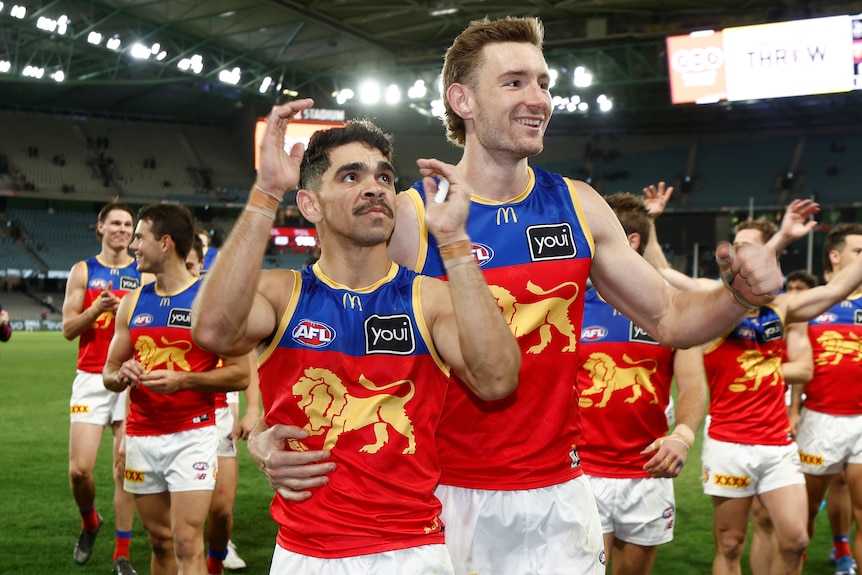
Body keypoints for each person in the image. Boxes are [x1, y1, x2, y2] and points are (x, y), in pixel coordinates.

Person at [242, 19, 783, 575]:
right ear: (463, 100)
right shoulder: (410, 216)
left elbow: (670, 317)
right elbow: (317, 334)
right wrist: (261, 435)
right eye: (515, 82)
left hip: (557, 491)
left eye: (544, 84)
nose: (539, 99)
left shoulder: (579, 205)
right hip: (438, 499)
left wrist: (736, 295)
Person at [191, 117, 521, 574]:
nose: (375, 187)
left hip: (412, 552)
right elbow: (212, 331)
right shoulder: (282, 294)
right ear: (310, 204)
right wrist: (267, 193)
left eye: (384, 176)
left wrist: (455, 241)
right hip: (306, 554)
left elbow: (499, 380)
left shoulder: (429, 298)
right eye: (351, 176)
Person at [645, 196, 862, 574]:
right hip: (729, 442)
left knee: (795, 540)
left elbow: (836, 289)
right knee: (730, 544)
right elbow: (668, 272)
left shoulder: (781, 307)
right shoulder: (710, 305)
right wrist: (649, 225)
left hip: (777, 443)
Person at [102, 204, 250, 575]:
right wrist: (123, 374)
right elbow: (108, 371)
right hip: (141, 436)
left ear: (165, 243)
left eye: (140, 237)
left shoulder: (210, 302)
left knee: (186, 541)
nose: (133, 245)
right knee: (159, 542)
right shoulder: (132, 302)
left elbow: (240, 375)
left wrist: (184, 380)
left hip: (193, 435)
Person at [578, 192, 707, 575]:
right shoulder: (568, 306)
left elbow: (693, 385)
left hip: (649, 472)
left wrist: (682, 435)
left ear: (629, 242)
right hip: (581, 474)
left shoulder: (670, 311)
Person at [61, 202, 141, 575]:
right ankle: (90, 521)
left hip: (128, 377)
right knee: (79, 470)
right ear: (101, 227)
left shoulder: (142, 271)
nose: (122, 229)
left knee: (124, 465)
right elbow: (68, 329)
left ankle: (120, 554)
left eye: (128, 224)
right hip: (91, 377)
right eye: (116, 223)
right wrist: (97, 310)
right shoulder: (83, 270)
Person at [795, 222, 862, 575]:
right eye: (858, 252)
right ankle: (796, 562)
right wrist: (792, 410)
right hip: (819, 418)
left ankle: (843, 551)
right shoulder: (811, 305)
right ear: (835, 256)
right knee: (805, 510)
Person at [183, 237, 248, 574]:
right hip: (172, 420)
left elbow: (244, 364)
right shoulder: (152, 301)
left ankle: (215, 560)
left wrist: (252, 411)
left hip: (218, 407)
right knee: (182, 532)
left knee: (222, 509)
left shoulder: (217, 301)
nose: (189, 274)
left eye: (193, 266)